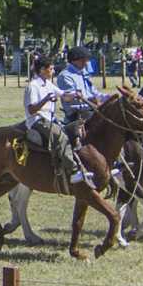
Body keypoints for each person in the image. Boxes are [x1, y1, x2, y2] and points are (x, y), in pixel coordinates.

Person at [24, 55, 92, 187]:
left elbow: (64, 96)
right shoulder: (33, 86)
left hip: (51, 119)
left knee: (75, 129)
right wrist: (46, 99)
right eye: (51, 69)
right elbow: (31, 110)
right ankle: (72, 171)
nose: (53, 71)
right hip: (37, 120)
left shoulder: (48, 84)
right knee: (60, 136)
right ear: (43, 70)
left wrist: (74, 95)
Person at [56, 46, 109, 122]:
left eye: (87, 60)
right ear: (74, 60)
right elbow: (72, 99)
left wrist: (108, 98)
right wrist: (93, 101)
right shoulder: (65, 76)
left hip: (93, 110)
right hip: (78, 114)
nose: (86, 63)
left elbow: (94, 92)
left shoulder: (84, 72)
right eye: (83, 60)